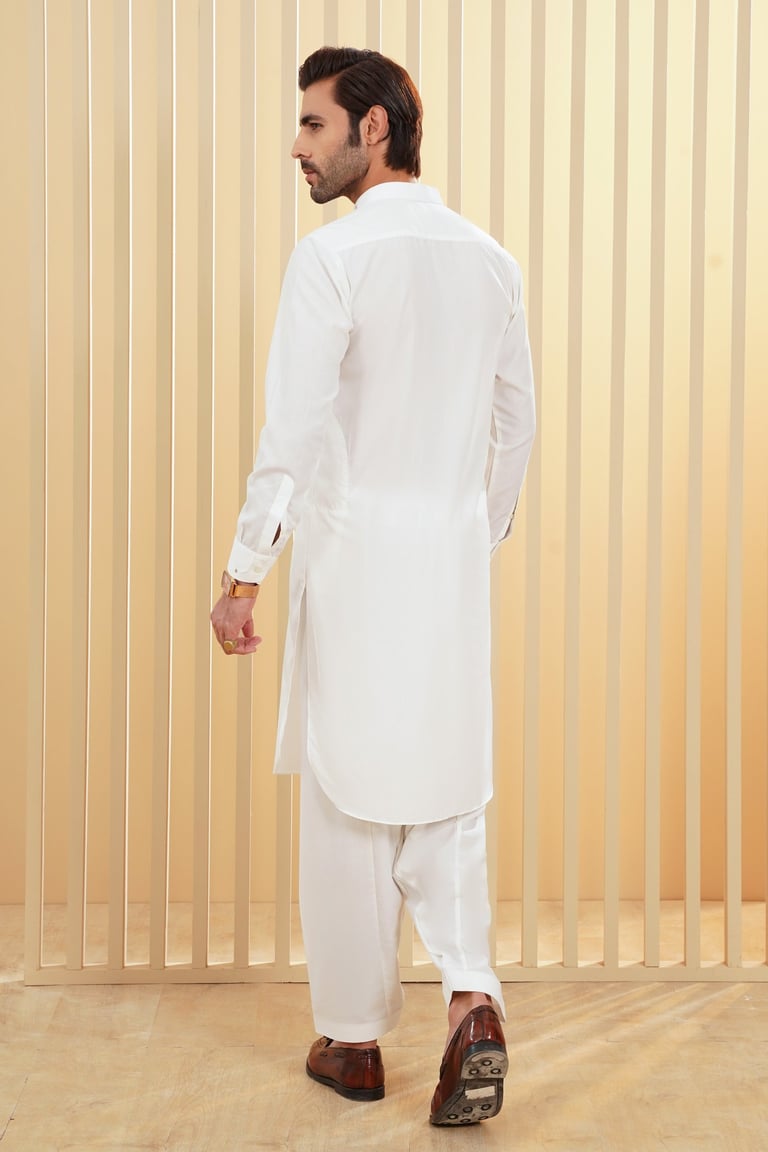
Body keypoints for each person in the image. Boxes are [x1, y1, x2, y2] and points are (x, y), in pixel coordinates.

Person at [210, 46, 535, 1127]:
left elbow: (294, 430)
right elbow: (517, 424)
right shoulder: (491, 261)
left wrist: (245, 570)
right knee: (447, 790)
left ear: (375, 128)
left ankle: (352, 1043)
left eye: (314, 125)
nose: (297, 148)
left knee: (346, 796)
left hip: (352, 563)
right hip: (446, 567)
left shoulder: (333, 258)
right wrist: (472, 532)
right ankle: (472, 1002)